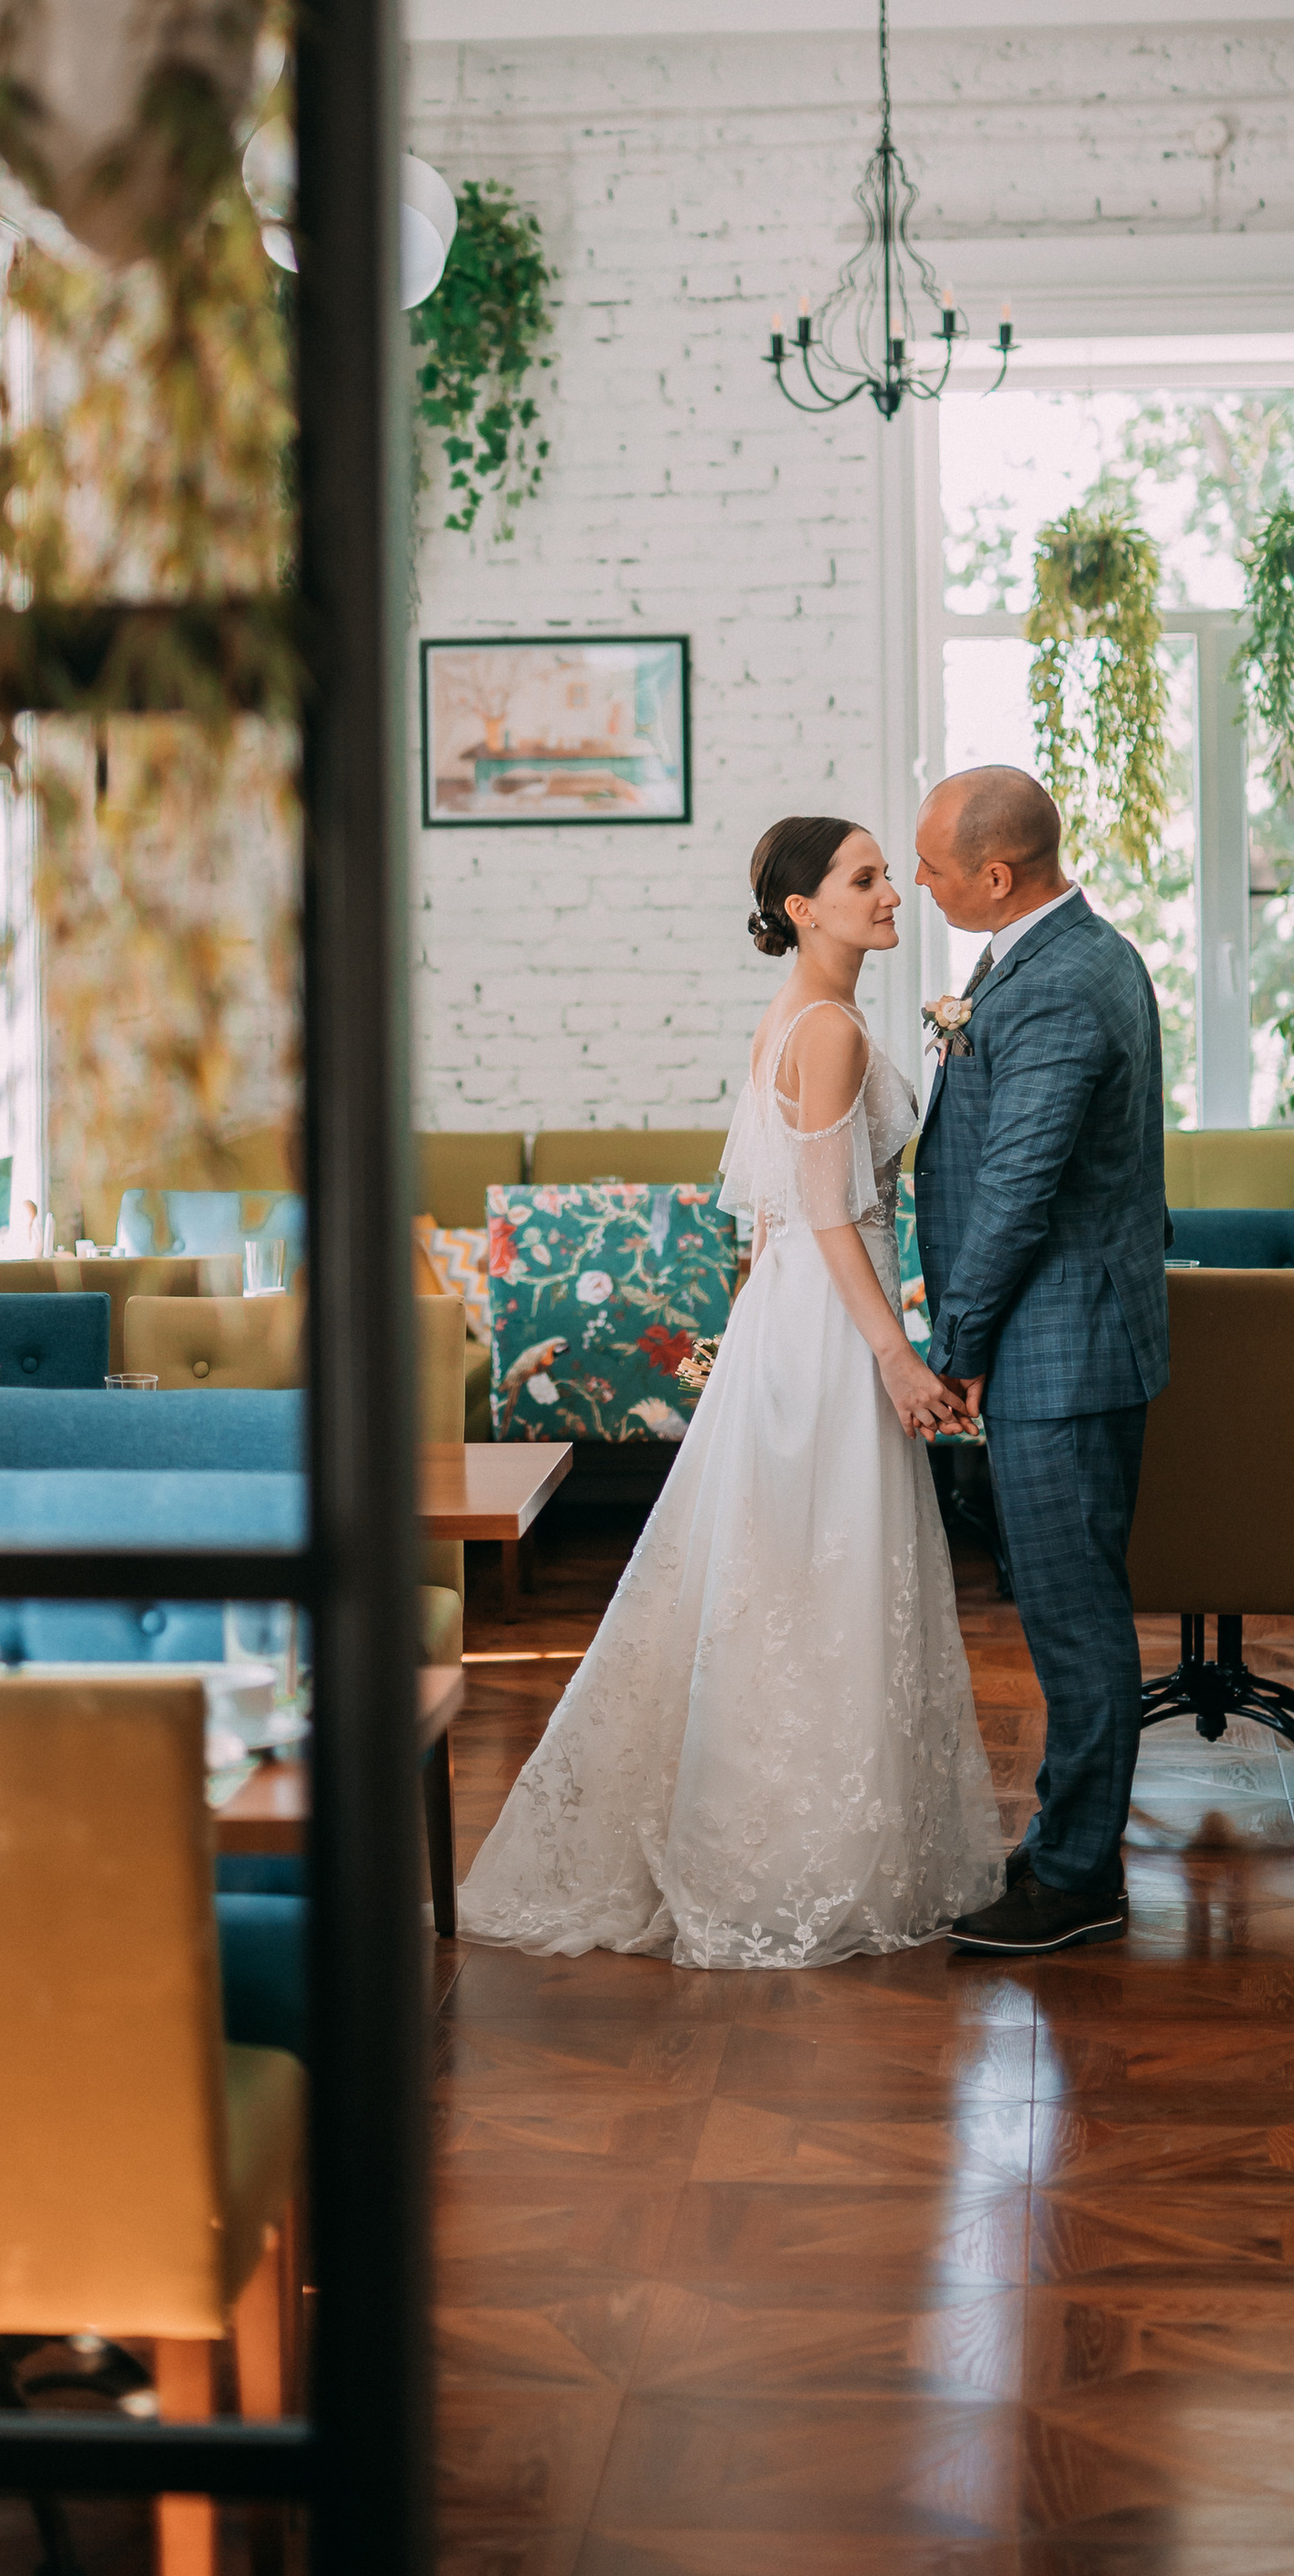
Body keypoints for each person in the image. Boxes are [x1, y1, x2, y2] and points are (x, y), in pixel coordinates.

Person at [456, 817, 1002, 1967]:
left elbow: (775, 1228)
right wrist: (895, 1355)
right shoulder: (832, 1032)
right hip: (829, 1333)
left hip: (791, 1326)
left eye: (887, 872)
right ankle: (790, 1857)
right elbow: (818, 1213)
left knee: (786, 1578)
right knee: (817, 1576)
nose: (892, 890)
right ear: (803, 907)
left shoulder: (796, 1019)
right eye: (866, 877)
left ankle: (783, 1836)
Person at [910, 764, 1171, 1954]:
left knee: (1075, 1620)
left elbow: (1018, 1186)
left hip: (1059, 1352)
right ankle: (1069, 1846)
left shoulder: (1063, 977)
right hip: (1048, 1344)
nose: (921, 880)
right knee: (1065, 1609)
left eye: (936, 864)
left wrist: (955, 1343)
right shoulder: (1041, 954)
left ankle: (1076, 1877)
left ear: (997, 873)